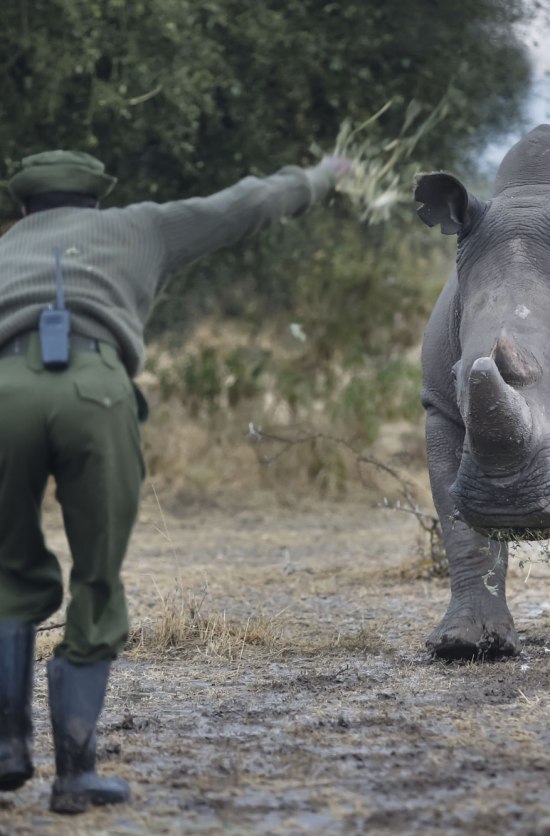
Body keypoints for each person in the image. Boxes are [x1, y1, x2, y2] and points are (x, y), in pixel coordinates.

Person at [0, 149, 351, 814]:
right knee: (97, 579)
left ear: (23, 206)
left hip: (2, 392)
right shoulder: (143, 225)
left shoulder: (7, 246)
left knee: (6, 572)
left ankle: (6, 748)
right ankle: (75, 776)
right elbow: (242, 206)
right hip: (95, 391)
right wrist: (318, 178)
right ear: (95, 200)